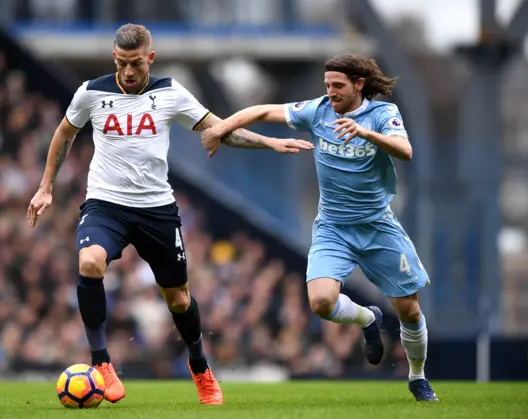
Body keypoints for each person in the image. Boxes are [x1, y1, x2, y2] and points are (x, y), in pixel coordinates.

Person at [26, 23, 313, 405]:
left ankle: (200, 368)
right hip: (106, 204)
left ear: (151, 58)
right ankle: (101, 364)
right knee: (90, 262)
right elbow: (64, 134)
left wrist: (269, 143)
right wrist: (45, 186)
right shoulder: (91, 92)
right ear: (115, 58)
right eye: (123, 63)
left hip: (156, 210)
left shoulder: (170, 92)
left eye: (137, 63)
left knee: (178, 299)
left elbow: (219, 129)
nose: (129, 72)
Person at [200, 54, 438, 402]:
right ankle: (367, 319)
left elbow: (405, 150)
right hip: (333, 228)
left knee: (410, 310)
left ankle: (417, 377)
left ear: (359, 84)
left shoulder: (383, 114)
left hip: (378, 226)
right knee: (322, 302)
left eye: (338, 86)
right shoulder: (319, 110)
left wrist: (366, 133)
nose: (331, 92)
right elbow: (265, 110)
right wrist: (221, 128)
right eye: (327, 85)